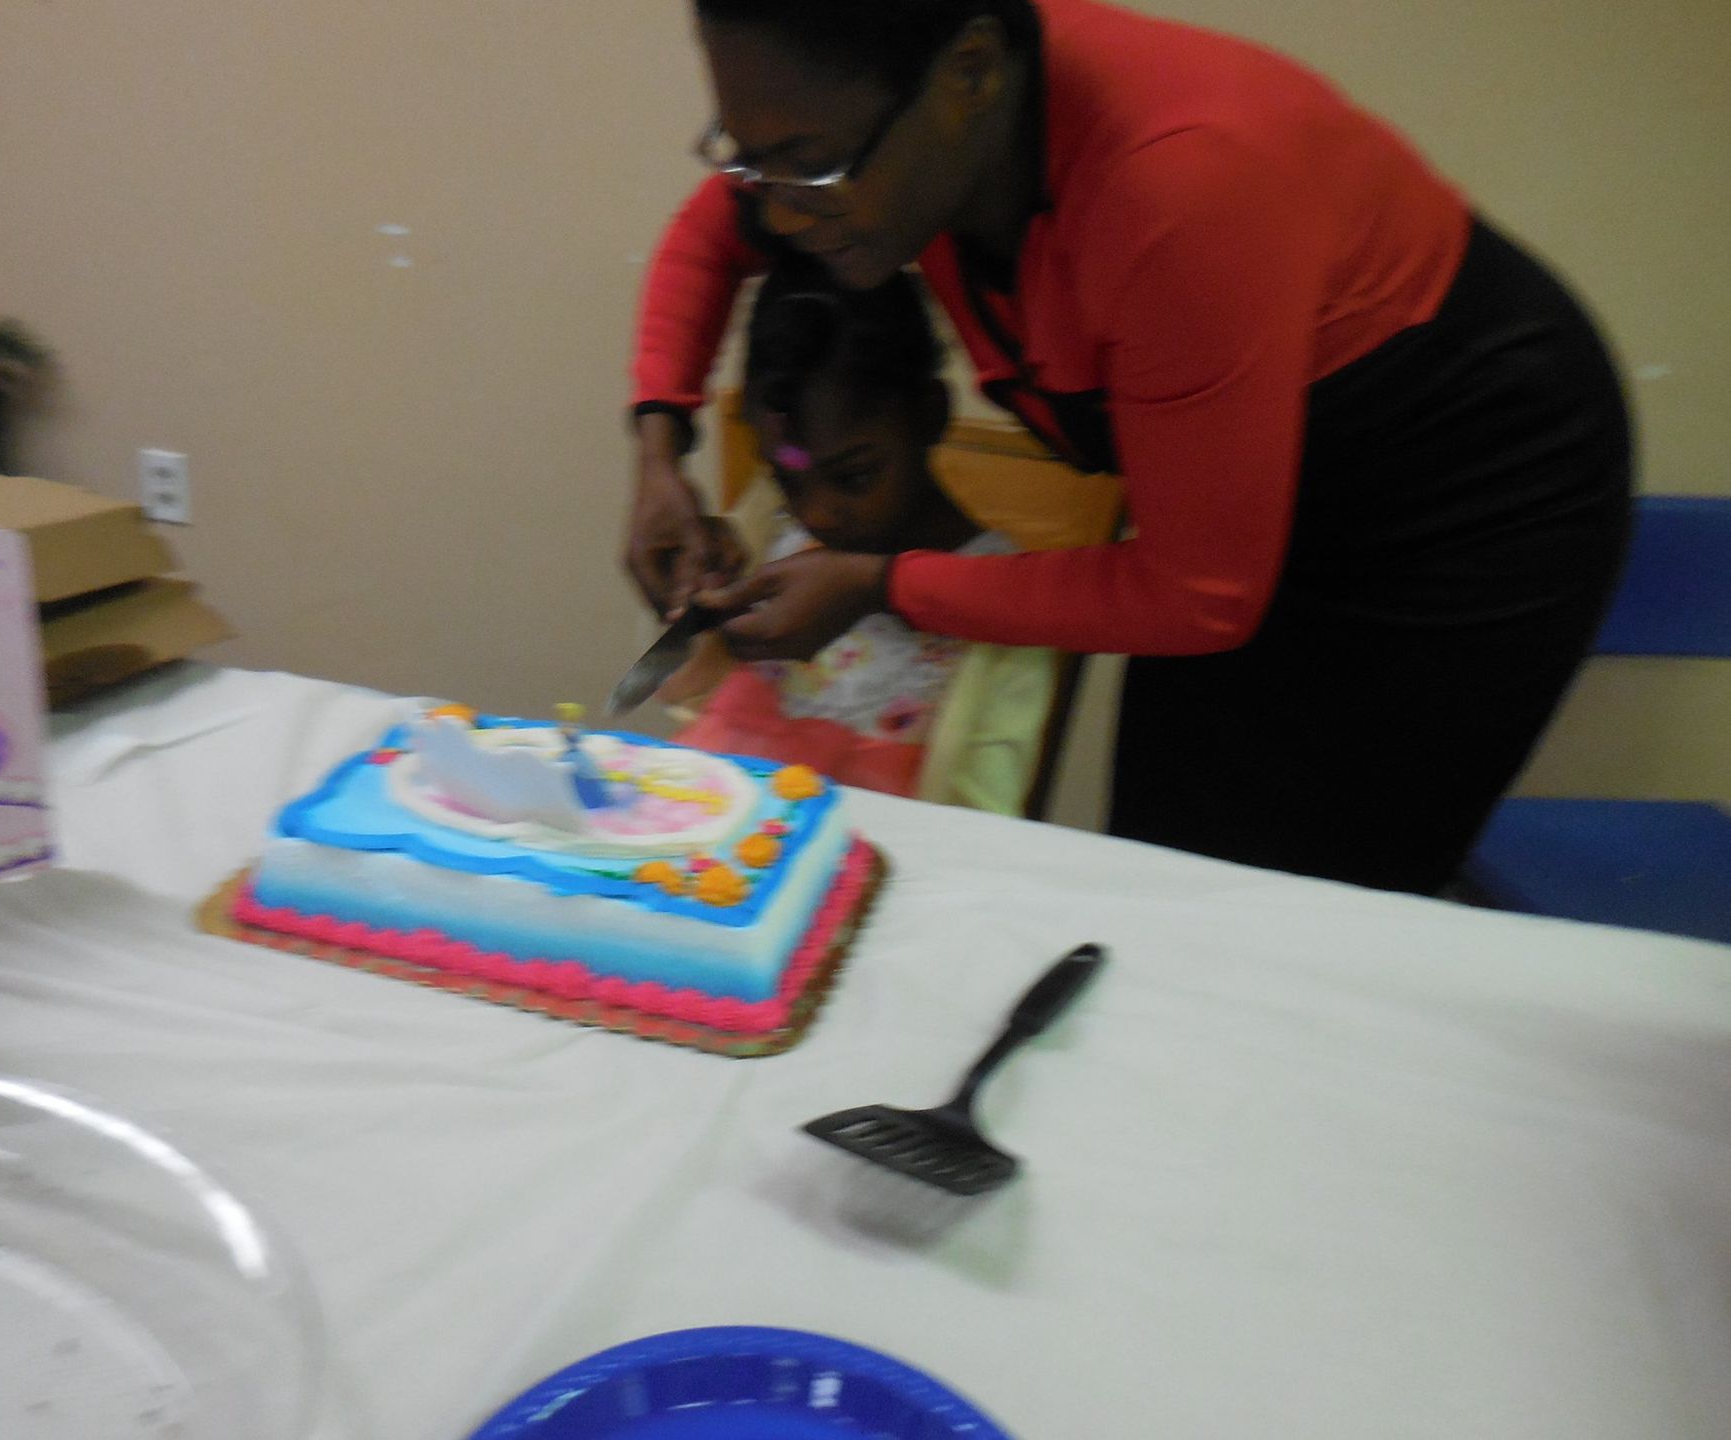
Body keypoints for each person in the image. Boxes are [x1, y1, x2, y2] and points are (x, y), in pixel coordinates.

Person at [623, 0, 1632, 894]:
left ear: (969, 74)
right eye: (745, 153)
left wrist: (882, 583)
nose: (782, 206)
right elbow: (717, 236)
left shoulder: (1178, 192)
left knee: (1318, 907)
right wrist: (659, 449)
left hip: (1463, 488)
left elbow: (1197, 596)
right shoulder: (895, 123)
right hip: (1247, 505)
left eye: (811, 163)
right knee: (1169, 868)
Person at [667, 255, 1060, 809]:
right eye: (788, 481)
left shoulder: (1005, 613)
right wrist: (704, 619)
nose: (818, 514)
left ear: (929, 414)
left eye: (853, 476)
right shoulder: (769, 535)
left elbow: (986, 832)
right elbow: (696, 721)